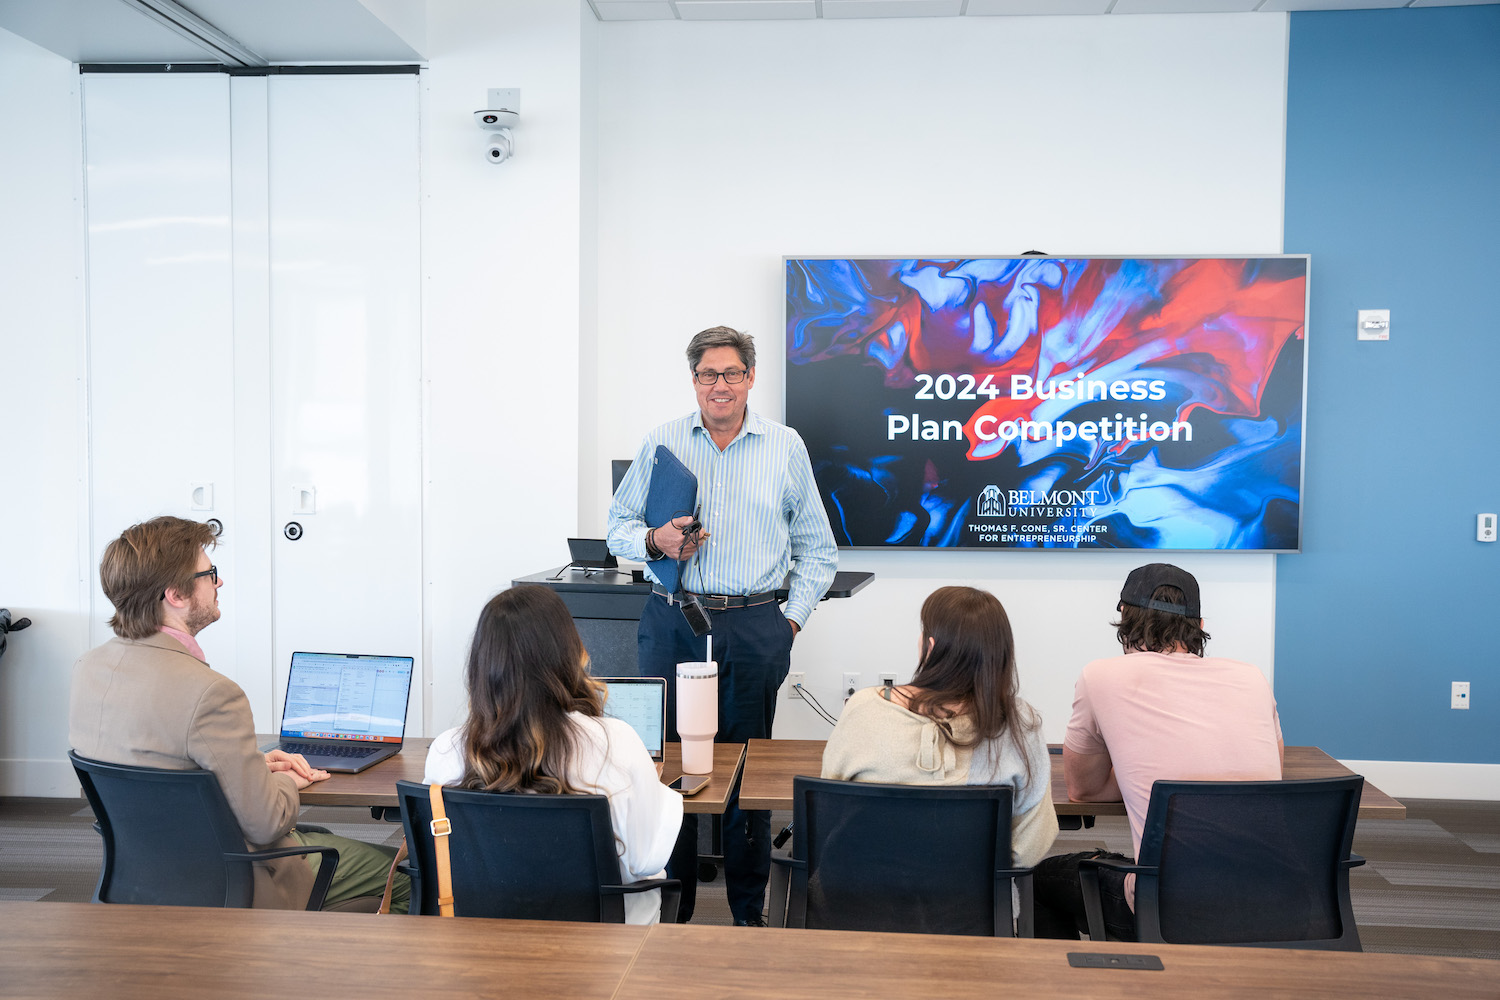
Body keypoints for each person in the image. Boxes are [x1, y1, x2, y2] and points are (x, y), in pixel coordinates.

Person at [606, 325, 838, 926]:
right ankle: (671, 906)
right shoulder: (663, 442)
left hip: (756, 621)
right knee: (666, 768)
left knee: (747, 772)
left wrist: (789, 622)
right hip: (673, 618)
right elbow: (618, 528)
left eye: (732, 373)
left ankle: (746, 910)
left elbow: (818, 550)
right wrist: (655, 539)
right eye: (708, 374)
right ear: (694, 381)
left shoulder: (785, 446)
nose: (720, 385)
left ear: (751, 378)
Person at [69, 516, 408, 912]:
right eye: (210, 573)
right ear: (176, 594)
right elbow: (266, 823)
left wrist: (249, 768)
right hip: (238, 876)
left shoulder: (88, 668)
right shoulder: (212, 693)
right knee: (408, 876)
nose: (219, 583)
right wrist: (284, 780)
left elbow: (149, 766)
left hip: (144, 874)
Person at [1032, 562, 1284, 940]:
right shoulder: (1251, 676)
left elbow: (1083, 789)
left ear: (1124, 617)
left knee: (1041, 880)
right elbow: (1270, 776)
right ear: (1199, 626)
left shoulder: (1101, 676)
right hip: (1277, 898)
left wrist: (1139, 763)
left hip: (1168, 908)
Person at [424, 585, 682, 924]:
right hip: (604, 949)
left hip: (479, 942)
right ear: (569, 651)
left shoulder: (446, 750)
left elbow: (439, 855)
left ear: (482, 663)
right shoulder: (615, 743)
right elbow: (645, 860)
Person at [822, 586, 1059, 873]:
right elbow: (1032, 844)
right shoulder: (1019, 722)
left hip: (855, 903)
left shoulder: (865, 708)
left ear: (930, 647)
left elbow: (828, 813)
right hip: (971, 912)